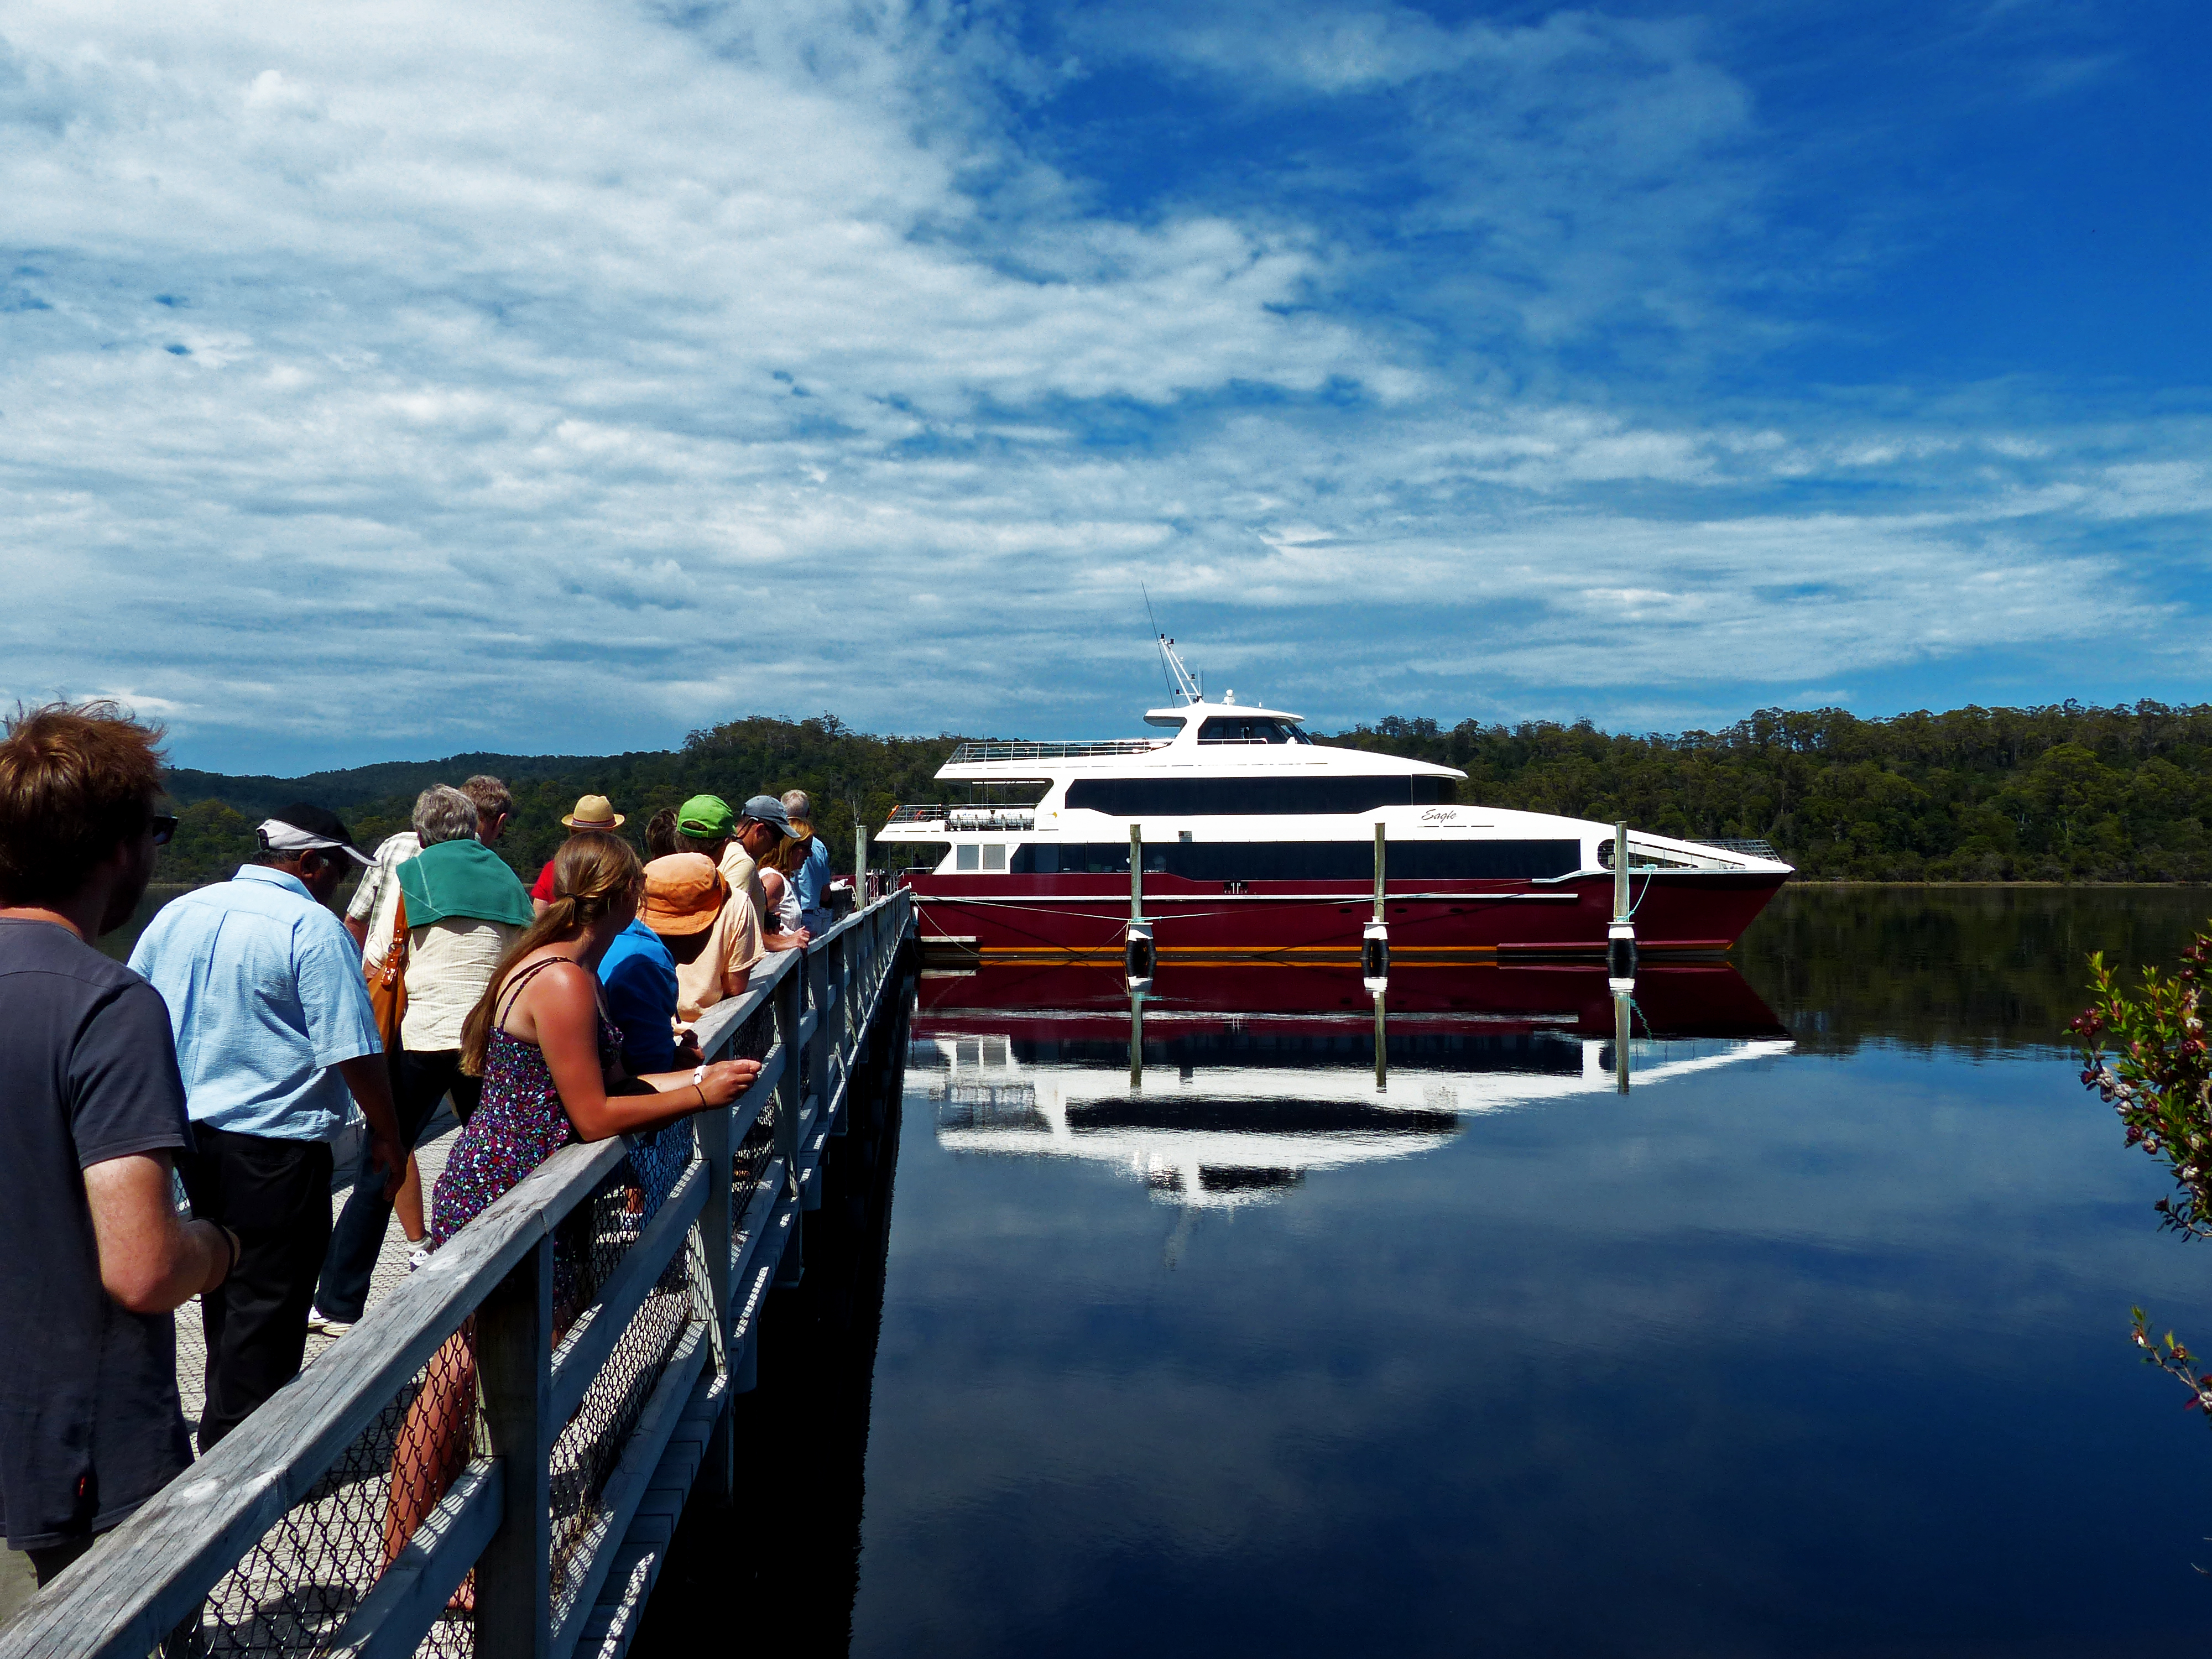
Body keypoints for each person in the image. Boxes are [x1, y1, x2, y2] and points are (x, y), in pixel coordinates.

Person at [383, 833, 760, 1578]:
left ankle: (462, 1529)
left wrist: (688, 1074)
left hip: (525, 1182)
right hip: (505, 1187)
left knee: (494, 1365)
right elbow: (591, 1116)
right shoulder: (560, 980)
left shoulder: (567, 968)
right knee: (461, 1369)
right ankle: (407, 1554)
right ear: (619, 897)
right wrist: (700, 1094)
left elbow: (610, 1086)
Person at [0, 703, 239, 1614]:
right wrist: (219, 1248)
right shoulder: (108, 1005)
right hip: (70, 1468)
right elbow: (142, 1269)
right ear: (116, 849)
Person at [128, 803, 405, 1450]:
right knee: (270, 1297)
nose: (337, 883)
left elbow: (134, 1006)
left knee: (217, 1280)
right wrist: (389, 1135)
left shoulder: (178, 913)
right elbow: (352, 1047)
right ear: (309, 862)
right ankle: (242, 1453)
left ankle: (221, 1426)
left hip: (182, 1138)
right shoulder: (311, 927)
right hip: (273, 1142)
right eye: (335, 869)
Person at [310, 786, 531, 1334]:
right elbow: (521, 955)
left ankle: (338, 1303)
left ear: (423, 832)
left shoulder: (417, 875)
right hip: (490, 1037)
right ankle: (504, 1280)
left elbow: (384, 954)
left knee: (382, 1161)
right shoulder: (506, 877)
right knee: (502, 1158)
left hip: (426, 1037)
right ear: (476, 828)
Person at [666, 796, 766, 1020]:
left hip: (650, 1031)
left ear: (677, 840)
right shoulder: (736, 901)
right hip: (707, 1029)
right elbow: (736, 985)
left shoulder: (645, 888)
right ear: (724, 846)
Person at [532, 794, 623, 917]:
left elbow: (539, 915)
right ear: (611, 833)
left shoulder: (552, 868)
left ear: (572, 833)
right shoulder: (620, 870)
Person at [780, 790, 833, 935]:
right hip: (811, 917)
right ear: (808, 813)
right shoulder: (818, 846)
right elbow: (825, 895)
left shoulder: (777, 842)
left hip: (782, 920)